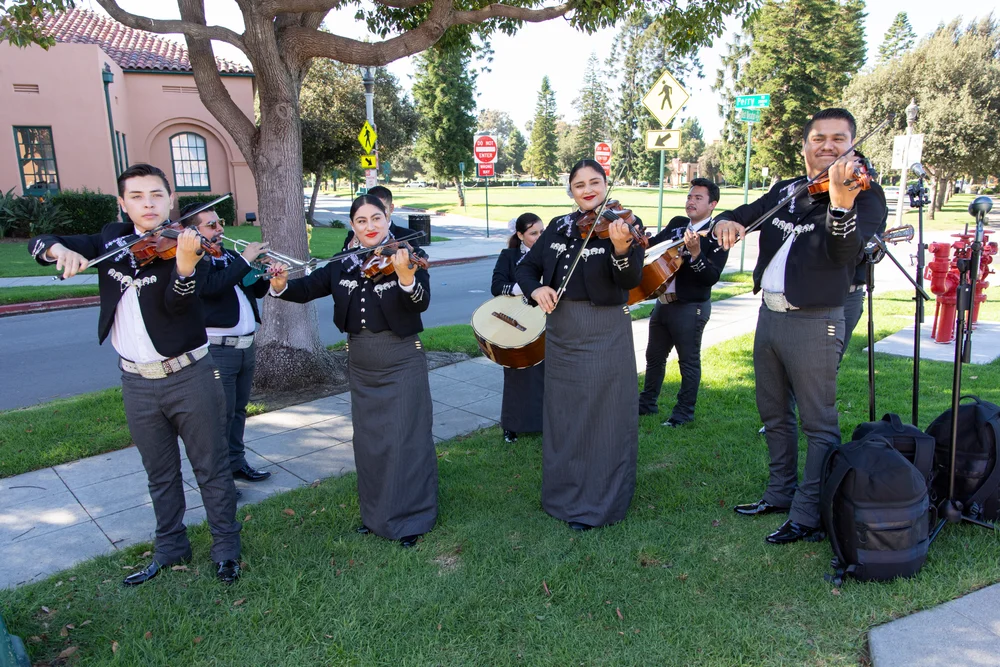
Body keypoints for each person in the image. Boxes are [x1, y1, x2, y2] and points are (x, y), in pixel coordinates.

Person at [28, 163, 241, 584]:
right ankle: (170, 547)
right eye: (138, 197)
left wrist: (182, 267)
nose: (148, 204)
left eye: (157, 195)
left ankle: (226, 548)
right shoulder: (110, 238)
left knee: (210, 466)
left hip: (189, 375)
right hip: (136, 382)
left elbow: (179, 305)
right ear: (123, 203)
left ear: (170, 200)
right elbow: (42, 241)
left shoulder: (188, 245)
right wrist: (59, 251)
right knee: (158, 471)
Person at [714, 109, 883, 545]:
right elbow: (743, 211)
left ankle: (808, 513)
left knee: (817, 421)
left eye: (838, 139)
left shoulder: (864, 195)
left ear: (851, 144)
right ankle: (779, 493)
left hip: (815, 319)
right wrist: (726, 220)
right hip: (769, 315)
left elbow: (845, 253)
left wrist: (841, 204)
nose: (827, 146)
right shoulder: (788, 189)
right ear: (805, 145)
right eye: (819, 138)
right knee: (773, 413)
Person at [268, 195, 436, 548]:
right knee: (371, 441)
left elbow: (420, 302)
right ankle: (376, 516)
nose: (370, 226)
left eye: (376, 218)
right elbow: (308, 288)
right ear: (353, 226)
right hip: (361, 362)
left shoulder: (406, 255)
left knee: (405, 439)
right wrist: (281, 286)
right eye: (361, 221)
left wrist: (406, 278)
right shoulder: (343, 262)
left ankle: (412, 517)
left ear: (387, 218)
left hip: (401, 358)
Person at [515, 159, 644, 531]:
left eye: (594, 182)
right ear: (570, 190)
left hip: (604, 331)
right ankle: (563, 495)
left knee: (603, 417)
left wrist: (621, 250)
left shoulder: (623, 226)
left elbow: (631, 278)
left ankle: (599, 503)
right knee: (565, 415)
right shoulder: (558, 227)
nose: (588, 190)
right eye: (579, 184)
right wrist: (536, 288)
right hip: (562, 333)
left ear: (605, 184)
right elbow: (526, 268)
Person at [181, 203, 272, 484]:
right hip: (218, 349)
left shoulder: (230, 256)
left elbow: (255, 290)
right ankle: (220, 480)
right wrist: (244, 261)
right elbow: (209, 288)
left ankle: (236, 463)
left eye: (219, 222)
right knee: (220, 417)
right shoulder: (193, 261)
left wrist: (264, 271)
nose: (220, 229)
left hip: (245, 347)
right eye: (211, 225)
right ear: (191, 231)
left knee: (238, 411)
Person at [638, 178, 729, 426]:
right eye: (690, 197)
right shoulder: (678, 224)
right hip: (663, 304)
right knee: (653, 357)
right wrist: (640, 238)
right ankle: (646, 405)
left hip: (691, 306)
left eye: (698, 198)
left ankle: (683, 414)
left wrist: (697, 253)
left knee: (688, 362)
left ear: (713, 204)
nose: (691, 201)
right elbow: (653, 245)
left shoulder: (717, 234)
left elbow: (711, 277)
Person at [491, 212, 545, 443]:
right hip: (517, 320)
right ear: (520, 235)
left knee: (546, 371)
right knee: (516, 371)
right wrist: (526, 287)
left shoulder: (551, 253)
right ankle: (512, 425)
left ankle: (546, 420)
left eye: (542, 231)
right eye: (534, 233)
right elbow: (496, 285)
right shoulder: (509, 255)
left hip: (545, 318)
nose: (539, 236)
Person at [343, 185, 409, 248]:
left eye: (376, 218)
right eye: (362, 221)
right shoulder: (353, 235)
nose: (370, 228)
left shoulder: (407, 235)